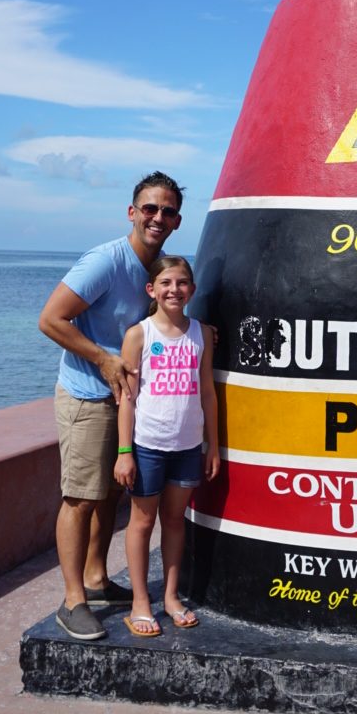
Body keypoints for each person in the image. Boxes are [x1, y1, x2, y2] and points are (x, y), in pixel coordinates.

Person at [39, 172, 184, 641]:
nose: (157, 217)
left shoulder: (152, 267)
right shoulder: (105, 261)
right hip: (87, 394)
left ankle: (98, 579)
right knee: (80, 498)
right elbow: (50, 318)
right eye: (150, 209)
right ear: (132, 212)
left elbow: (158, 316)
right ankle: (73, 599)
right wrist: (102, 359)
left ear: (177, 220)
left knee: (110, 495)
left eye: (166, 211)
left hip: (124, 399)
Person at [113, 256, 220, 634]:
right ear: (152, 290)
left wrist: (213, 445)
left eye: (182, 282)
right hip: (148, 446)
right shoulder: (139, 335)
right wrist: (125, 452)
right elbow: (126, 398)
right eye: (166, 283)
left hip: (188, 446)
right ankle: (141, 602)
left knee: (175, 522)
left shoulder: (202, 334)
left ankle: (172, 596)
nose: (174, 290)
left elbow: (207, 392)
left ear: (192, 289)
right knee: (142, 522)